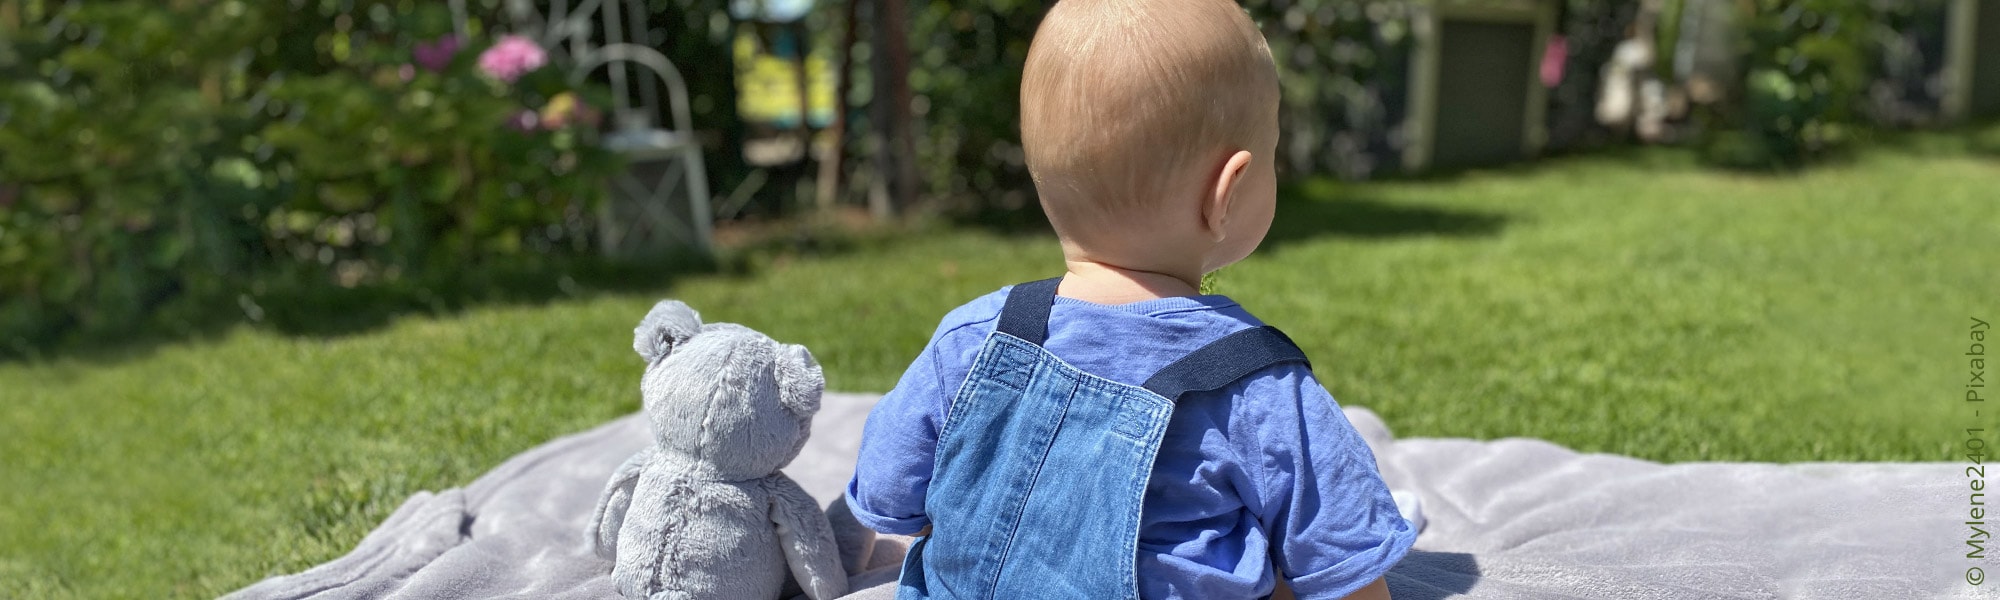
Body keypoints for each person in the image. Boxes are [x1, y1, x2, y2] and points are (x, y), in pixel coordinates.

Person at [843, 0, 1416, 598]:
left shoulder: (974, 337)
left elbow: (890, 498)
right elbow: (1348, 568)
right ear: (1229, 191)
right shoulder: (1261, 388)